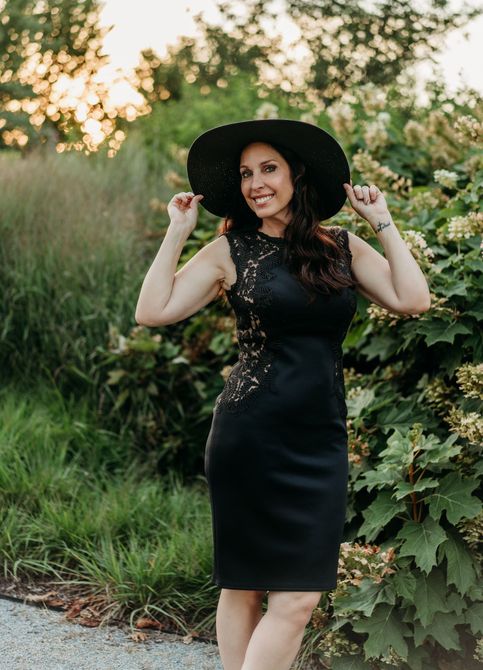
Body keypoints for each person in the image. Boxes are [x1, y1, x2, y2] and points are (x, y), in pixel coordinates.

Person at [135, 119, 431, 670]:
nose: (255, 183)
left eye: (268, 169)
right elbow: (153, 311)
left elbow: (413, 300)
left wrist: (383, 222)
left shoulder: (342, 246)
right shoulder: (232, 250)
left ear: (296, 174)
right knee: (243, 586)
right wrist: (177, 232)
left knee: (296, 598)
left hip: (319, 440)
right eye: (246, 173)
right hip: (249, 435)